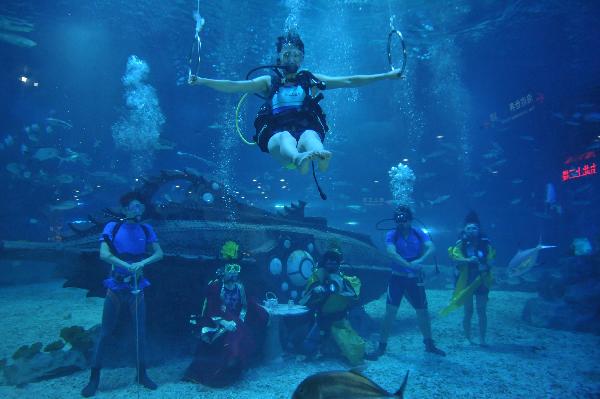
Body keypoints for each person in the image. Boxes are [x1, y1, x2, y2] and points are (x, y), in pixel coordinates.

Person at [189, 31, 402, 174]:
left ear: (302, 58)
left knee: (310, 135)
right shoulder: (268, 81)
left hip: (304, 135)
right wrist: (202, 81)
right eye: (287, 54)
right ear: (279, 58)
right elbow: (234, 85)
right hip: (277, 143)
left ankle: (319, 155)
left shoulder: (310, 79)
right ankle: (299, 159)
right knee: (284, 136)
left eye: (296, 55)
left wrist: (386, 75)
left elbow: (348, 80)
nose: (292, 59)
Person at [81, 192, 163, 397]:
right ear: (125, 209)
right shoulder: (112, 227)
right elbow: (104, 254)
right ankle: (94, 379)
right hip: (116, 288)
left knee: (140, 331)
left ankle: (142, 374)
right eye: (135, 206)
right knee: (106, 332)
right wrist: (127, 265)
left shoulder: (146, 228)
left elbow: (159, 253)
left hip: (138, 287)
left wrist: (141, 264)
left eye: (141, 207)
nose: (139, 210)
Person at [183, 241, 268, 387]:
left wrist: (253, 314)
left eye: (237, 268)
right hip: (216, 321)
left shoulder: (240, 286)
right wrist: (225, 322)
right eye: (231, 268)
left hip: (235, 322)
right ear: (223, 269)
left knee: (241, 334)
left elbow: (245, 305)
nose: (234, 271)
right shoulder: (215, 286)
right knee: (230, 338)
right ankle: (218, 375)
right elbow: (211, 308)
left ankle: (234, 371)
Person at [366, 206, 445, 360]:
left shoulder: (418, 232)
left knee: (422, 312)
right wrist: (410, 266)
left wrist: (420, 261)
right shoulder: (392, 234)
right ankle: (381, 347)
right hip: (397, 279)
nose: (401, 222)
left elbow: (432, 247)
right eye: (398, 219)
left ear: (410, 219)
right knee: (390, 313)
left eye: (404, 218)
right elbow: (391, 252)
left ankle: (429, 344)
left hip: (415, 280)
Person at [299, 247, 365, 366]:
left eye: (335, 260)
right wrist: (317, 289)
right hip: (322, 320)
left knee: (354, 352)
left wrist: (334, 285)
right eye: (329, 260)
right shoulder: (317, 278)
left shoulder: (346, 281)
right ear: (324, 262)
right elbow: (307, 296)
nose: (332, 263)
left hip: (339, 322)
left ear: (339, 263)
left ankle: (333, 348)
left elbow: (354, 293)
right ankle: (325, 347)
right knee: (307, 348)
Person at [445, 211, 495, 346]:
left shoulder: (486, 244)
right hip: (466, 281)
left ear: (479, 230)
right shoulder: (460, 244)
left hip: (482, 281)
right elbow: (455, 258)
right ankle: (468, 338)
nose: (472, 230)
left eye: (474, 228)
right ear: (464, 230)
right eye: (469, 228)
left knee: (481, 310)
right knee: (468, 311)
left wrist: (484, 265)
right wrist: (468, 260)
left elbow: (491, 260)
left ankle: (482, 339)